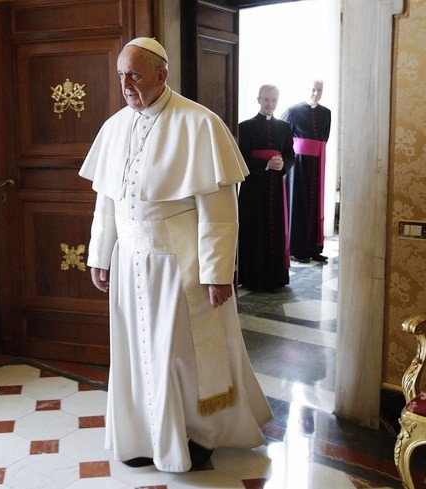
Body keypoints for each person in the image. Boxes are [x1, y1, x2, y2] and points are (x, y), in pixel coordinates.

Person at [78, 37, 272, 473]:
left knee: (182, 355)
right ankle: (145, 434)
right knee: (134, 350)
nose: (126, 85)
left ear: (162, 75)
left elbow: (219, 212)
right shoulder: (113, 127)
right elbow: (106, 202)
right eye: (121, 75)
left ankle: (200, 432)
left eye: (135, 75)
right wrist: (100, 255)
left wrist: (218, 272)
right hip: (130, 264)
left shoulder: (199, 124)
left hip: (180, 265)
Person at [237, 84, 295, 292]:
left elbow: (290, 154)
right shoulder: (244, 127)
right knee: (255, 229)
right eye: (266, 100)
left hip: (276, 188)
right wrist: (265, 164)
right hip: (254, 189)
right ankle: (253, 278)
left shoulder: (285, 127)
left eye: (274, 100)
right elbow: (240, 159)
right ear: (259, 100)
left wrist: (283, 164)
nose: (270, 104)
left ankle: (276, 278)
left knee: (275, 229)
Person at [281, 79, 331, 263]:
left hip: (318, 163)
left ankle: (314, 247)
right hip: (298, 165)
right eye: (313, 89)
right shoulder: (293, 111)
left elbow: (324, 137)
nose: (316, 93)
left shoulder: (326, 113)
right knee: (299, 204)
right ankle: (297, 248)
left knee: (315, 204)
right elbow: (283, 137)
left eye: (320, 90)